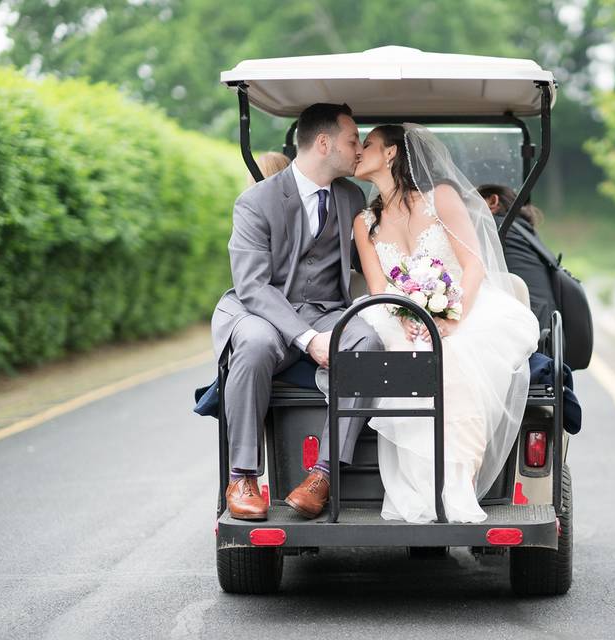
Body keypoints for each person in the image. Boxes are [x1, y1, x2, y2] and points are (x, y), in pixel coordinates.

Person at [350, 124, 539, 523]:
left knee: (452, 356)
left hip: (463, 305)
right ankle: (421, 488)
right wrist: (406, 317)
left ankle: (456, 485)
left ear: (390, 154)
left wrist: (449, 317)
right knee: (408, 358)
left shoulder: (441, 198)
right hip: (396, 311)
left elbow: (473, 264)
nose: (357, 151)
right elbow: (378, 286)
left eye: (366, 144)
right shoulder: (364, 221)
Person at [211, 103, 383, 521]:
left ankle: (323, 474)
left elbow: (368, 262)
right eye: (352, 140)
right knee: (252, 343)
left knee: (369, 339)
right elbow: (252, 284)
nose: (359, 149)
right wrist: (308, 339)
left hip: (327, 310)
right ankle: (243, 475)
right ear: (323, 143)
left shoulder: (351, 196)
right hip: (266, 311)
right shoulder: (255, 201)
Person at [477, 184, 558, 333]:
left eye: (471, 203)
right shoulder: (523, 231)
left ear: (493, 201)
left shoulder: (493, 227)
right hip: (545, 327)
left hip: (525, 327)